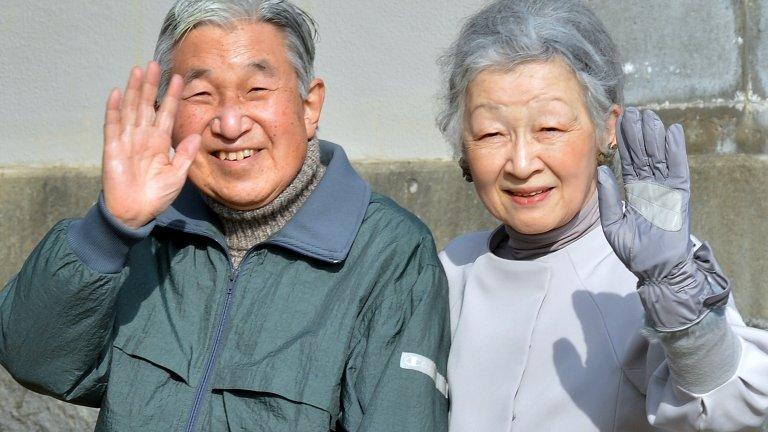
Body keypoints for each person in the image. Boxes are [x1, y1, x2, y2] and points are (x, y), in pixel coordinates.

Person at [0, 1, 450, 430]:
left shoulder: (388, 252)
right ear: (167, 116)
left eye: (256, 90)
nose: (231, 124)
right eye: (201, 94)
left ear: (310, 107)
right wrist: (110, 229)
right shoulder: (148, 230)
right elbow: (33, 358)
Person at [437, 0, 768, 430]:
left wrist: (681, 311)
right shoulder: (451, 270)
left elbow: (738, 414)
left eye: (550, 128)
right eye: (491, 134)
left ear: (607, 128)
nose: (520, 163)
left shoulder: (659, 266)